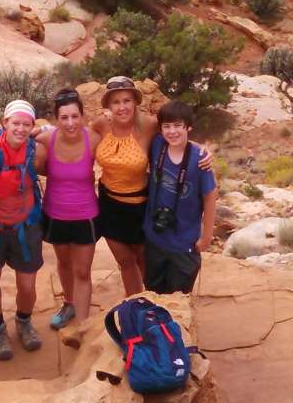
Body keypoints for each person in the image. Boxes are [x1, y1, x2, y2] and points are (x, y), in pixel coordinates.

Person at [91, 77, 213, 297]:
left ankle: (154, 306)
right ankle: (135, 307)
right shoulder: (101, 125)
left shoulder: (148, 125)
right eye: (116, 101)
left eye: (127, 100)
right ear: (108, 105)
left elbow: (176, 131)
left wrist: (201, 148)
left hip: (140, 207)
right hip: (109, 204)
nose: (122, 107)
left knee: (144, 262)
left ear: (135, 102)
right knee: (125, 262)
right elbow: (77, 136)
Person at [0, 100, 44, 361]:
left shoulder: (37, 152)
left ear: (32, 126)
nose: (20, 128)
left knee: (27, 284)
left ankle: (23, 321)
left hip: (25, 224)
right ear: (4, 123)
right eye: (15, 122)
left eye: (26, 124)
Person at [34, 89, 102, 329]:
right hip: (55, 214)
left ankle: (83, 325)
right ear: (56, 120)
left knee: (82, 271)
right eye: (64, 118)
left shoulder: (93, 139)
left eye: (75, 116)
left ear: (82, 116)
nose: (70, 123)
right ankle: (69, 303)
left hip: (86, 215)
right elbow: (21, 136)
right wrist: (41, 130)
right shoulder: (48, 139)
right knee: (63, 264)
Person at [142, 101, 218, 295]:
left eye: (178, 126)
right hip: (155, 239)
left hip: (184, 244)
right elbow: (142, 121)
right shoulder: (157, 145)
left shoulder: (199, 160)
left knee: (178, 298)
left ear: (189, 127)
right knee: (154, 294)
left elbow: (210, 196)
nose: (172, 132)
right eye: (167, 127)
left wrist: (207, 236)